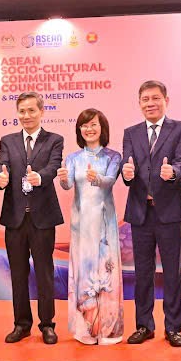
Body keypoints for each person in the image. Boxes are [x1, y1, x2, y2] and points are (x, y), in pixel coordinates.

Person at [121, 80, 181, 347]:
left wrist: (173, 171)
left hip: (169, 211)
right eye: (145, 99)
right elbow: (127, 165)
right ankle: (144, 325)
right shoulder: (131, 133)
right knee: (142, 272)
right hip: (140, 212)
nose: (150, 103)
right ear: (139, 103)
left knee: (173, 272)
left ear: (166, 100)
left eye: (155, 98)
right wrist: (126, 174)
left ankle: (173, 327)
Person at [0, 91, 64, 345]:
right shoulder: (8, 140)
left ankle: (47, 324)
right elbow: (1, 164)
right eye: (22, 111)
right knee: (17, 273)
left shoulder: (54, 140)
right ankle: (21, 324)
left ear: (41, 112)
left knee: (44, 272)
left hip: (43, 217)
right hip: (15, 217)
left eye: (31, 110)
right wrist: (0, 176)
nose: (26, 115)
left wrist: (41, 177)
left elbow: (54, 166)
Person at [58, 108, 124, 345]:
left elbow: (110, 181)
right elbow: (67, 185)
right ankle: (85, 330)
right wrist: (63, 179)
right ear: (79, 130)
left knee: (106, 274)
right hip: (81, 226)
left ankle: (108, 330)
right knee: (84, 273)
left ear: (102, 128)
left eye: (94, 124)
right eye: (84, 125)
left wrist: (97, 179)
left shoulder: (113, 156)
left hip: (105, 225)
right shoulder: (73, 158)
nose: (89, 129)